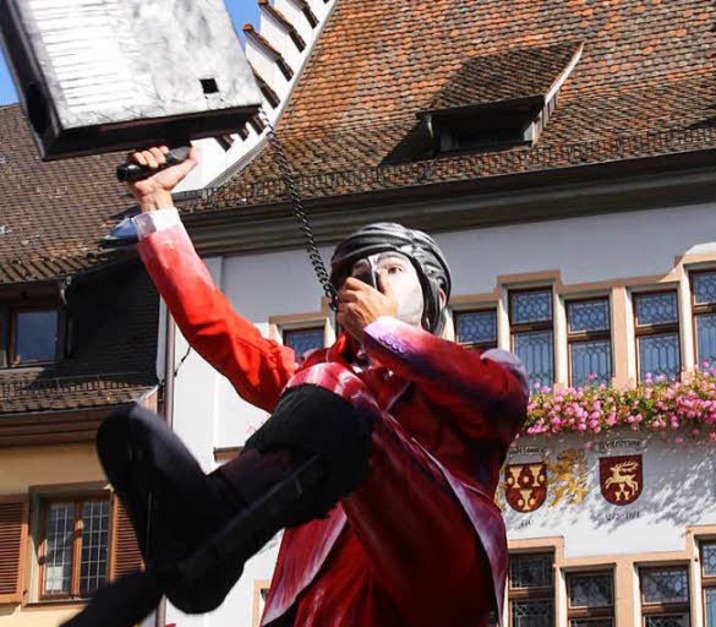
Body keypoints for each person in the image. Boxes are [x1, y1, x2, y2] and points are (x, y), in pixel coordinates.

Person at [85, 146, 528, 627]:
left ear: (435, 295)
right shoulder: (320, 377)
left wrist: (385, 333)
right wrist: (156, 203)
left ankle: (215, 523)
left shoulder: (483, 367)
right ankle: (206, 532)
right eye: (359, 275)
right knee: (327, 388)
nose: (372, 280)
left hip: (440, 577)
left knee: (336, 392)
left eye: (393, 269)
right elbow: (217, 330)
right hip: (328, 605)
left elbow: (498, 399)